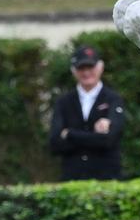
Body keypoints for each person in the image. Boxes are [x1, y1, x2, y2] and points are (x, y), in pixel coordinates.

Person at [49, 45, 127, 181]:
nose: (86, 73)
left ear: (100, 67)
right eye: (81, 68)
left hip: (107, 178)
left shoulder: (113, 99)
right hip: (72, 178)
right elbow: (55, 144)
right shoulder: (63, 102)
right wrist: (94, 136)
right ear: (74, 71)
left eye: (90, 67)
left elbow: (109, 140)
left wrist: (70, 134)